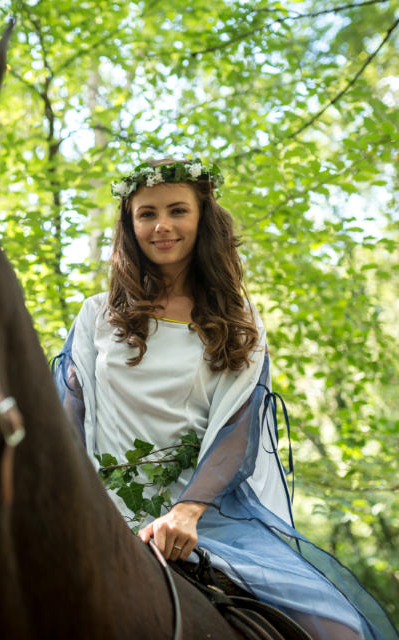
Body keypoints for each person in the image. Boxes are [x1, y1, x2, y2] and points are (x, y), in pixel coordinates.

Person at [53, 159, 398, 640]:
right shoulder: (96, 315)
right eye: (146, 214)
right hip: (100, 509)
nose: (163, 226)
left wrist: (187, 511)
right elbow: (70, 418)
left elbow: (238, 429)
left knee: (341, 631)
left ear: (203, 219)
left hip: (203, 516)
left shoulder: (239, 321)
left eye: (178, 210)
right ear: (130, 227)